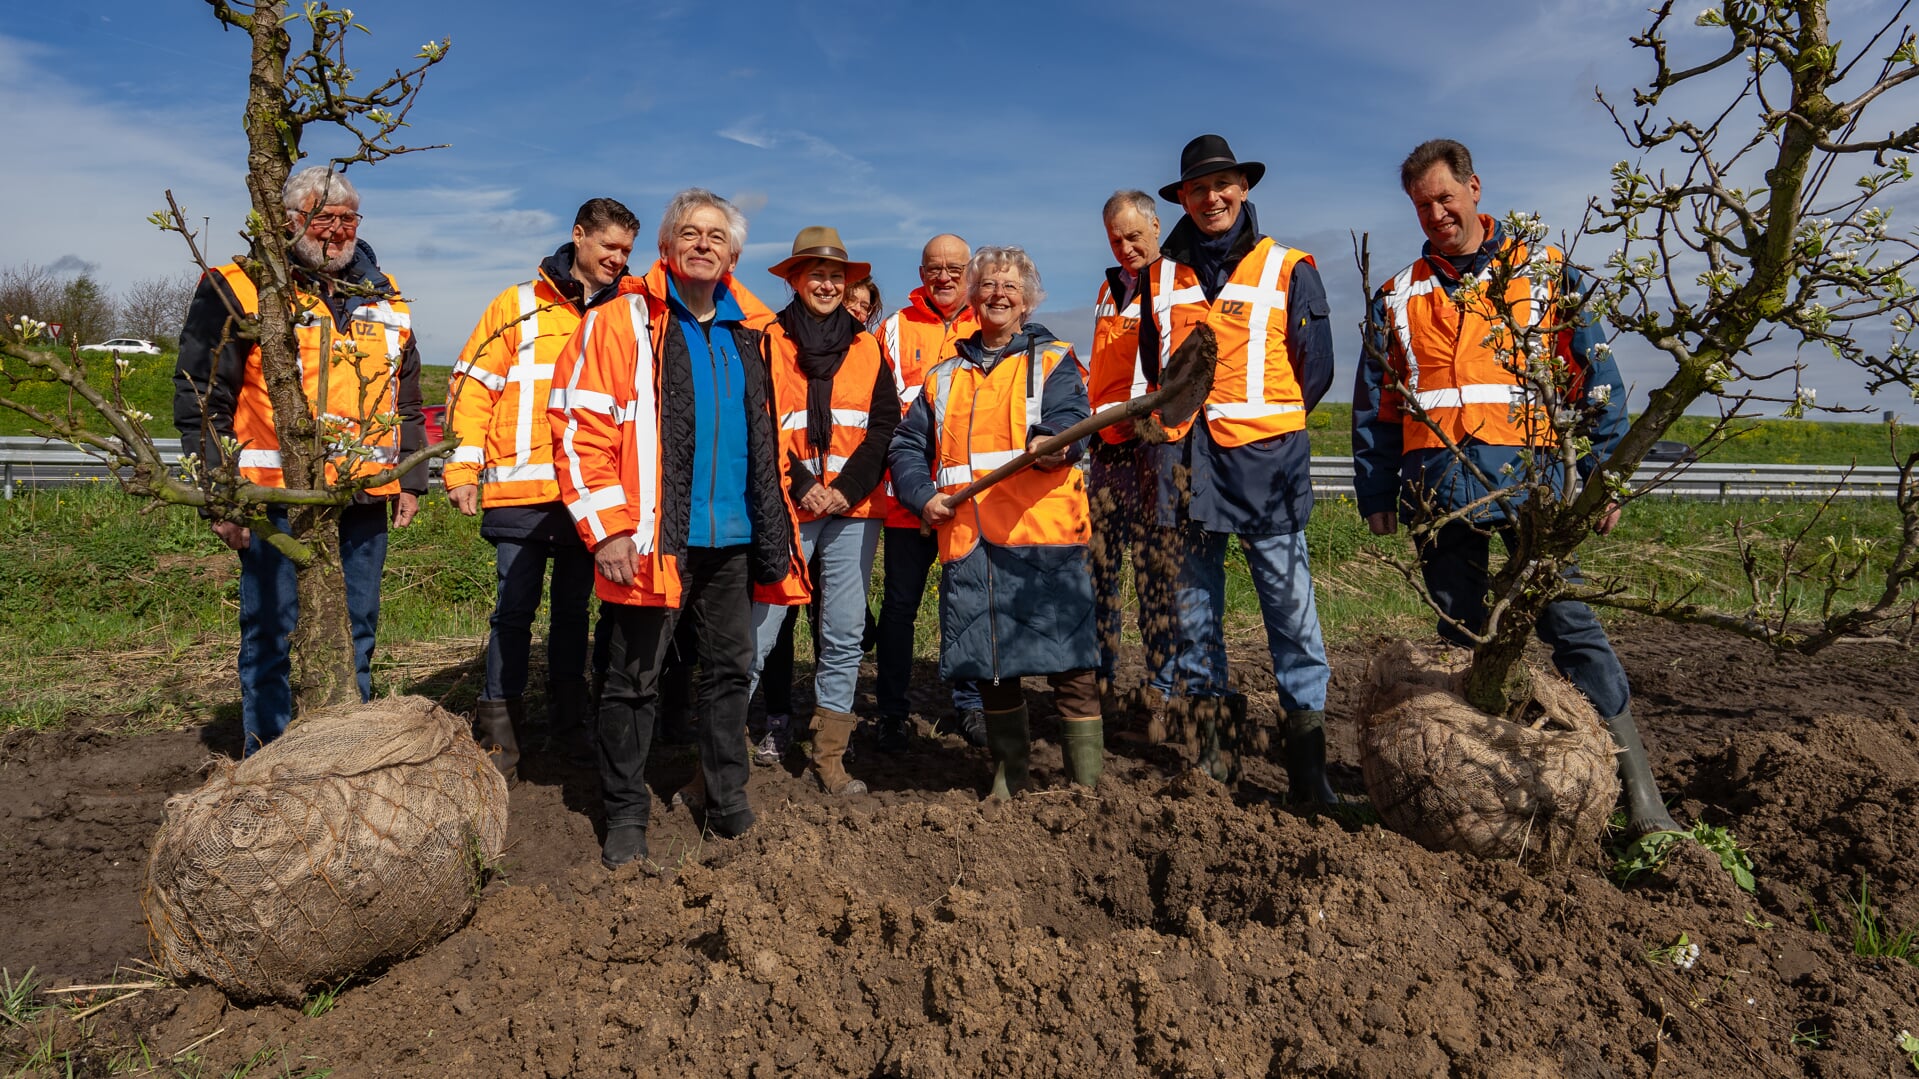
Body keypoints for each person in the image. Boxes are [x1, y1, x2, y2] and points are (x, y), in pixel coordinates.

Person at [1352, 137, 1680, 837]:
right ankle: (1482, 798)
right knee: (1462, 635)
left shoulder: (1546, 270)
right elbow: (1377, 404)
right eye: (1420, 204)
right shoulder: (1395, 295)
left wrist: (1604, 477)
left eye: (1444, 197)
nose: (1435, 213)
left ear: (1474, 189)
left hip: (1534, 484)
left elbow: (1598, 381)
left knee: (1569, 624)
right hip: (1438, 487)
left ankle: (1641, 797)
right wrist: (1377, 491)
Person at [550, 188, 804, 869]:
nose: (701, 243)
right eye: (687, 232)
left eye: (715, 236)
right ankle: (626, 813)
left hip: (735, 538)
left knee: (729, 672)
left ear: (734, 254)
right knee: (632, 678)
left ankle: (727, 800)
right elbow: (579, 428)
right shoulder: (620, 320)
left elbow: (775, 436)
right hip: (652, 539)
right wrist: (606, 531)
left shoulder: (757, 332)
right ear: (665, 247)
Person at [173, 166, 426, 756]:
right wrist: (221, 495)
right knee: (272, 632)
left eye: (347, 220)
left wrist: (410, 480)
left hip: (362, 498)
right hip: (272, 499)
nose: (336, 233)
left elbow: (405, 395)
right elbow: (200, 398)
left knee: (356, 629)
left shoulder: (384, 294)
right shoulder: (239, 286)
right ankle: (270, 763)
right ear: (289, 221)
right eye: (322, 219)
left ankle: (343, 758)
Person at [1137, 134, 1336, 800]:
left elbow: (1316, 371)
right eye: (1197, 189)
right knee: (1193, 619)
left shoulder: (1287, 267)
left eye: (1222, 185)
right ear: (1182, 200)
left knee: (1290, 617)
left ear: (1242, 189)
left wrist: (1258, 426)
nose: (1211, 197)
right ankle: (1210, 764)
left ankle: (1309, 778)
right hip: (1185, 469)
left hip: (1266, 467)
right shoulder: (1159, 277)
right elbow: (1154, 368)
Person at [888, 246, 1102, 796]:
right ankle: (1010, 782)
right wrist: (922, 495)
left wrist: (1054, 445)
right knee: (992, 667)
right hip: (971, 544)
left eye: (1011, 286)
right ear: (972, 297)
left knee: (1073, 669)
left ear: (1028, 300)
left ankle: (1087, 790)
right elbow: (908, 446)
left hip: (1043, 541)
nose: (998, 294)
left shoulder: (1053, 360)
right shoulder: (942, 377)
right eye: (988, 285)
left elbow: (1072, 420)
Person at [445, 198, 639, 780]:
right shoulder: (517, 305)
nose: (618, 259)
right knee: (513, 611)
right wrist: (462, 468)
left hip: (590, 495)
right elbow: (472, 386)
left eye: (627, 251)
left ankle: (568, 723)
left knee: (574, 614)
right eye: (609, 247)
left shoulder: (628, 312)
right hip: (520, 491)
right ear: (578, 237)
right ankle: (499, 729)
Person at [742, 227, 900, 793]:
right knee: (761, 629)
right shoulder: (766, 341)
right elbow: (758, 422)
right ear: (794, 280)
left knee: (844, 632)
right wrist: (806, 483)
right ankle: (722, 750)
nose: (829, 284)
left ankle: (829, 757)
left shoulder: (867, 346)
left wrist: (847, 489)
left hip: (851, 511)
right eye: (818, 275)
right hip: (788, 506)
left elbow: (883, 426)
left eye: (838, 276)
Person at [873, 235, 986, 751]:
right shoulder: (892, 330)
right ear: (921, 272)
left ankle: (972, 706)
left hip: (972, 499)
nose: (944, 277)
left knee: (970, 603)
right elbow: (882, 417)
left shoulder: (989, 322)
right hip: (905, 500)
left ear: (971, 270)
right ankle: (891, 710)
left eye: (954, 268)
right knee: (900, 606)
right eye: (934, 269)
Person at [1084, 190, 1177, 720]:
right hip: (1106, 448)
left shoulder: (1177, 283)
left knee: (1155, 569)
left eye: (1134, 235)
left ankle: (1162, 686)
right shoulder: (1107, 288)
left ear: (1157, 226)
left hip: (1153, 447)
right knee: (1100, 568)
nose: (1125, 246)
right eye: (1116, 238)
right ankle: (1099, 681)